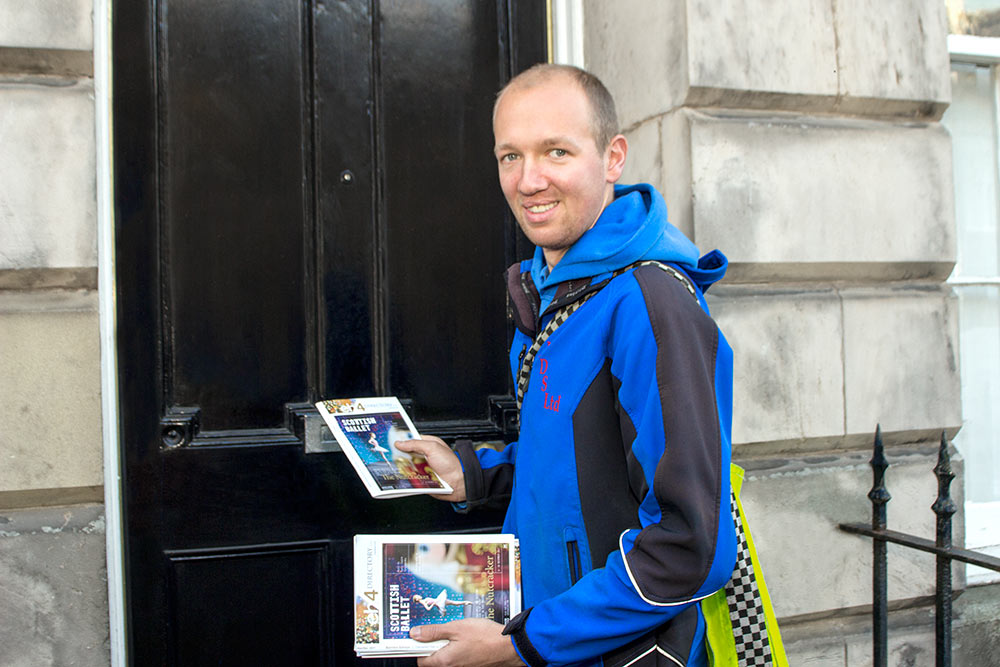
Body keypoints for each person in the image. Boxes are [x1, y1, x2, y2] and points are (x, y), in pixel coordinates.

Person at [395, 64, 737, 667]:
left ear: (612, 158)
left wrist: (520, 644)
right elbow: (579, 464)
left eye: (556, 151)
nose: (529, 181)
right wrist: (473, 473)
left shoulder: (650, 303)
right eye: (510, 156)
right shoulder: (555, 288)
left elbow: (690, 547)